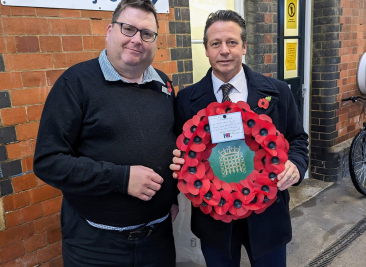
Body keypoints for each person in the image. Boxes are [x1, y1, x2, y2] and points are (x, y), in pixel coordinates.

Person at [33, 0, 179, 266]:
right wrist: (120, 178)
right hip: (97, 246)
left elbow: (173, 146)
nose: (137, 40)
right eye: (128, 29)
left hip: (158, 241)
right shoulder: (75, 84)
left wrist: (173, 196)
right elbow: (48, 162)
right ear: (110, 31)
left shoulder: (164, 85)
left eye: (147, 34)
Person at [170, 10, 309, 267]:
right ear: (207, 50)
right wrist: (178, 163)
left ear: (244, 47)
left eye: (232, 42)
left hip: (268, 216)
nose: (224, 50)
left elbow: (298, 140)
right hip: (215, 220)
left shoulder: (277, 92)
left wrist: (296, 166)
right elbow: (179, 152)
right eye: (216, 43)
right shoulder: (186, 101)